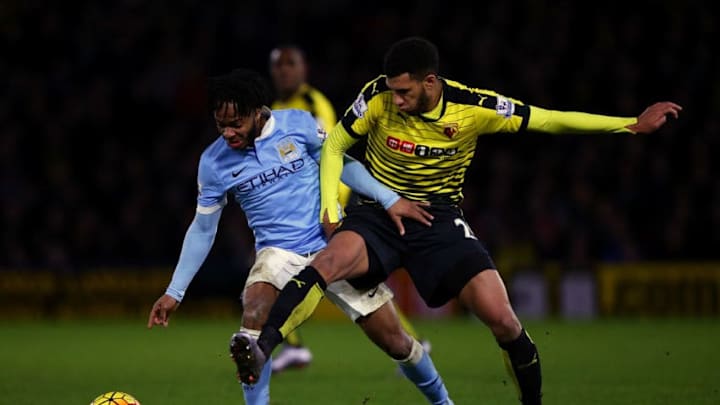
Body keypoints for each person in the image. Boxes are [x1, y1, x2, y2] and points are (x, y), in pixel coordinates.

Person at [234, 37, 683, 405]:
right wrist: (330, 209)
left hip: (438, 220)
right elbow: (334, 146)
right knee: (327, 261)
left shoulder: (474, 107)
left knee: (504, 321)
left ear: (431, 82)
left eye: (405, 91)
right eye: (392, 90)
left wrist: (629, 124)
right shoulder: (376, 96)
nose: (396, 99)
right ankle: (262, 346)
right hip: (377, 214)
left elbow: (549, 120)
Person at [146, 68, 454, 405]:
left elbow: (343, 164)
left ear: (257, 111)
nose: (228, 133)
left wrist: (389, 198)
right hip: (278, 253)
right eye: (221, 125)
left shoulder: (298, 123)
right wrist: (174, 291)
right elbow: (203, 228)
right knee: (253, 318)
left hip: (332, 248)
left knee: (397, 341)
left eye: (236, 123)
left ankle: (443, 402)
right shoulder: (214, 163)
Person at [267, 44, 432, 373]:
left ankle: (409, 341)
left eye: (291, 63)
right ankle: (294, 345)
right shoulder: (275, 108)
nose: (284, 70)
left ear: (304, 69)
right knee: (329, 279)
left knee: (315, 274)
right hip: (301, 206)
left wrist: (332, 211)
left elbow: (332, 153)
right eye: (279, 65)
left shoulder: (313, 105)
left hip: (326, 205)